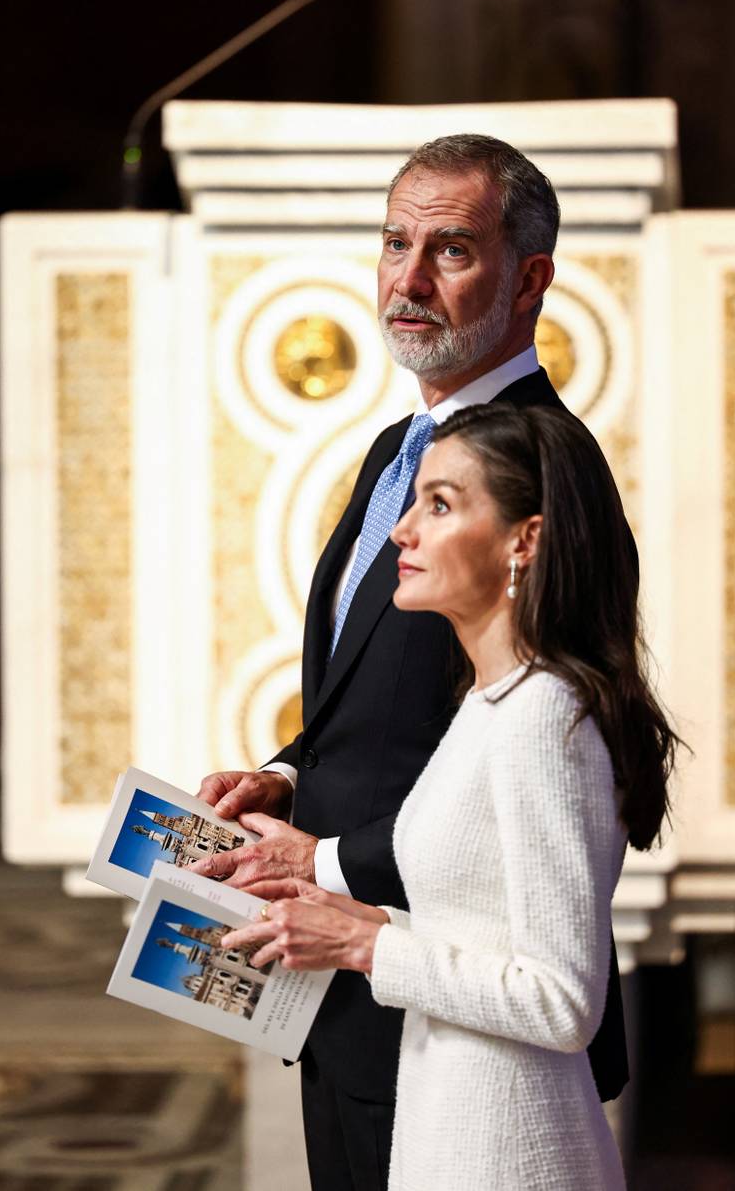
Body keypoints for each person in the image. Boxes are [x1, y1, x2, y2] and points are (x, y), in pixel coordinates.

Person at [192, 134, 629, 1190]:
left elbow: (543, 736)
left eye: (449, 251)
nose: (407, 279)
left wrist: (324, 866)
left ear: (528, 281)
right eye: (394, 244)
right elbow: (378, 704)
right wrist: (291, 774)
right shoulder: (398, 452)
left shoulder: (543, 477)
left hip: (449, 989)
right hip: (343, 987)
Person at [221, 402, 678, 1189]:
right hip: (448, 1122)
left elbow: (563, 1001)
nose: (403, 531)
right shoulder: (492, 699)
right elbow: (479, 925)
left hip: (508, 1145)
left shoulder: (546, 717)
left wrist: (365, 946)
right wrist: (357, 916)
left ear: (522, 540)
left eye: (440, 505)